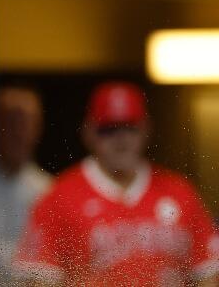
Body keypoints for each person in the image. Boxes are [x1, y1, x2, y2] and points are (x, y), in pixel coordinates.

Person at [12, 82, 219, 286]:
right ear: (89, 132)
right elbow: (38, 280)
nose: (121, 139)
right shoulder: (59, 198)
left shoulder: (179, 192)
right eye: (109, 129)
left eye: (130, 128)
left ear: (146, 129)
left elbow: (208, 274)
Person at [0, 86, 51, 280]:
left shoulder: (49, 190)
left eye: (25, 124)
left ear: (38, 129)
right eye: (10, 122)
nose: (18, 133)